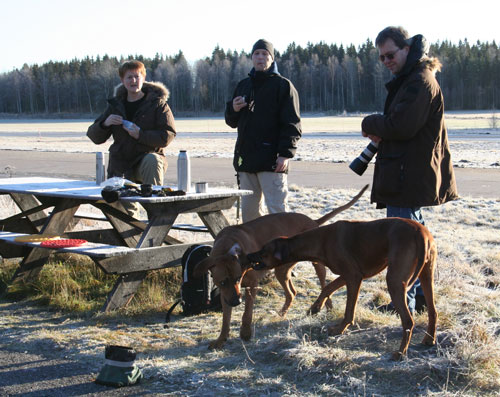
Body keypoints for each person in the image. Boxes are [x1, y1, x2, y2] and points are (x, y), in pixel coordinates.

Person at [361, 26, 458, 313]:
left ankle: (406, 302)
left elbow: (401, 126)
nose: (386, 61)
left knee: (404, 242)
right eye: (381, 58)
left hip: (407, 175)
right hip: (405, 173)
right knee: (413, 240)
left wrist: (370, 123)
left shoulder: (419, 81)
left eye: (390, 54)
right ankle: (419, 299)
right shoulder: (410, 79)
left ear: (407, 49)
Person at [225, 39, 301, 222]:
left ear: (272, 58)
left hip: (272, 162)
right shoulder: (243, 85)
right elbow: (231, 121)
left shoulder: (283, 86)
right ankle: (255, 251)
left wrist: (285, 154)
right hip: (247, 161)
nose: (260, 57)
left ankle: (286, 250)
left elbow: (293, 124)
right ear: (252, 58)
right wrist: (233, 109)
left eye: (265, 54)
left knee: (278, 214)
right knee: (250, 217)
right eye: (257, 54)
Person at [87, 60, 176, 218]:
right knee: (126, 217)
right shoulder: (115, 106)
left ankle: (156, 219)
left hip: (147, 163)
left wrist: (140, 135)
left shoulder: (158, 105)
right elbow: (94, 136)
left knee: (152, 159)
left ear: (143, 78)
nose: (133, 81)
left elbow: (167, 136)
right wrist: (105, 123)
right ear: (122, 80)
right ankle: (132, 238)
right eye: (129, 77)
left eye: (137, 76)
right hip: (121, 166)